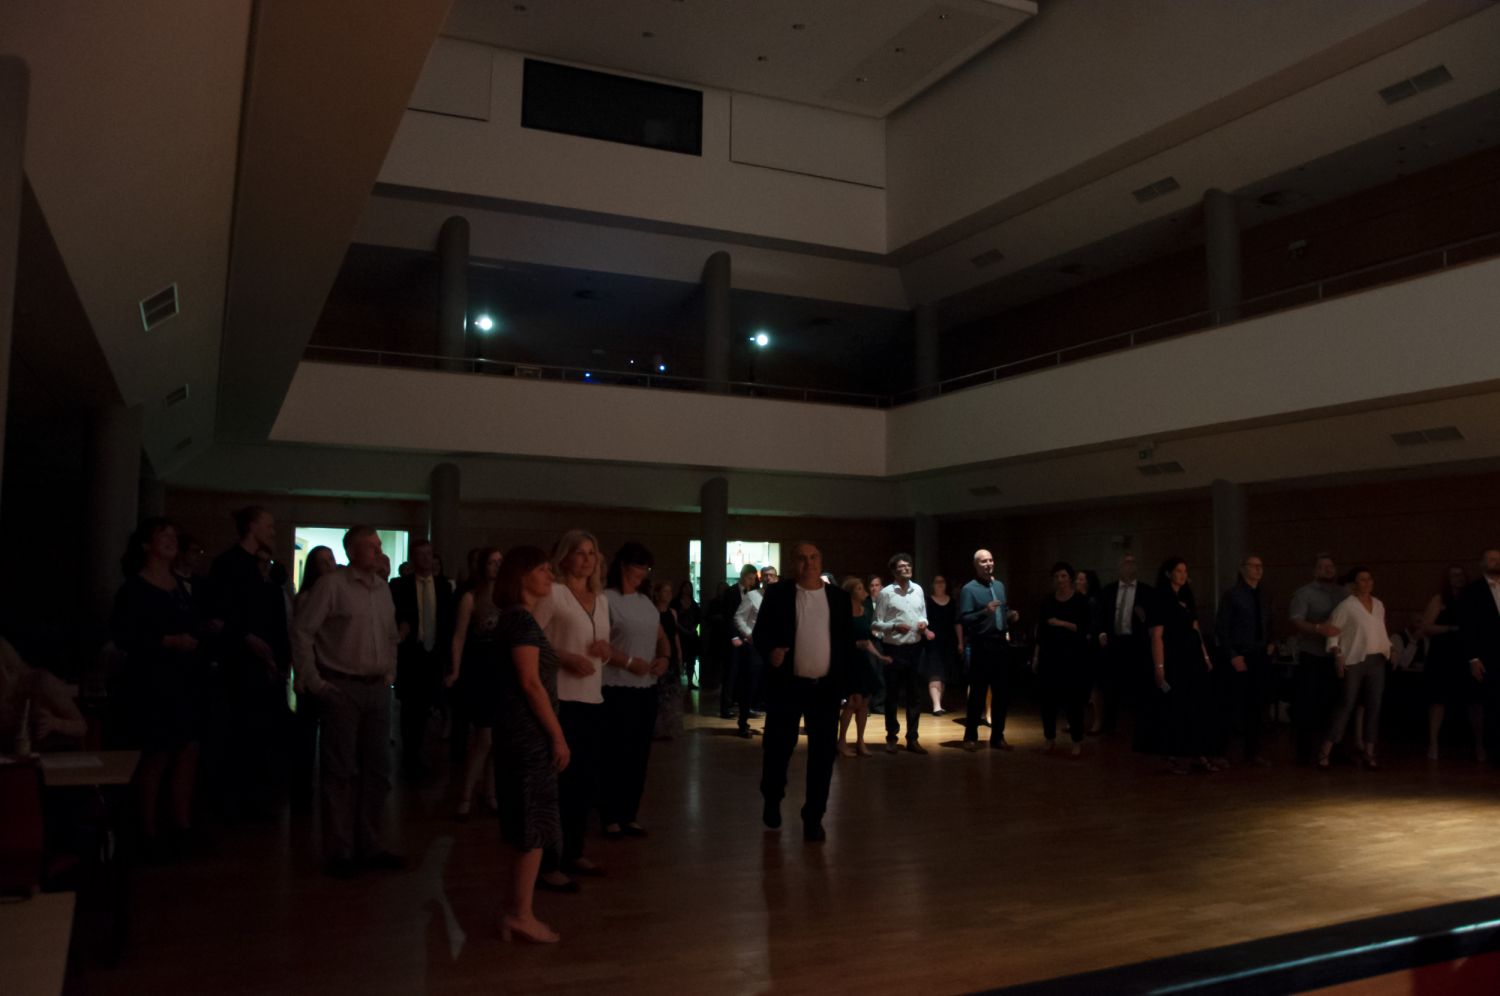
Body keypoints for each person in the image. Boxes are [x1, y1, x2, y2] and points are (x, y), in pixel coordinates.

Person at [290, 526, 402, 879]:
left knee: (377, 770)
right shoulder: (332, 586)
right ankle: (339, 851)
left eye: (379, 546)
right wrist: (313, 680)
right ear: (352, 551)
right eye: (371, 547)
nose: (378, 552)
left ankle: (369, 845)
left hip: (376, 687)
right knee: (340, 771)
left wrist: (389, 672)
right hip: (342, 686)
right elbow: (302, 631)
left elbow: (390, 635)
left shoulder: (382, 588)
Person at [111, 518, 206, 858]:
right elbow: (124, 636)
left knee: (187, 750)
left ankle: (181, 825)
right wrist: (168, 641)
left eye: (172, 535)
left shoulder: (179, 585)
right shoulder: (134, 589)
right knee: (156, 754)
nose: (170, 539)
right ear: (146, 545)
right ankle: (147, 831)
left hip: (184, 679)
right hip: (152, 681)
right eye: (161, 535)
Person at [489, 546, 570, 944]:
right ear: (522, 575)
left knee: (528, 822)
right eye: (542, 570)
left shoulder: (515, 619)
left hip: (518, 734)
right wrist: (557, 735)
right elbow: (530, 683)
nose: (550, 576)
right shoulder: (520, 621)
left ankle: (516, 908)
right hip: (528, 736)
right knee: (532, 824)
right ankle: (520, 913)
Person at [754, 543, 855, 843]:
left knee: (823, 755)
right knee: (777, 748)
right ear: (792, 563)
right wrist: (770, 651)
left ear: (821, 561)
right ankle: (772, 798)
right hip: (787, 687)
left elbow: (846, 645)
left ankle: (814, 816)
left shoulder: (838, 598)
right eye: (802, 558)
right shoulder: (778, 594)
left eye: (813, 557)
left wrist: (848, 686)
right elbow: (760, 634)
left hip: (824, 689)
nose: (808, 563)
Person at [533, 529, 613, 891]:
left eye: (591, 553)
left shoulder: (601, 599)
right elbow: (532, 640)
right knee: (560, 784)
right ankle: (549, 861)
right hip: (562, 699)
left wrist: (605, 651)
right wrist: (563, 656)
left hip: (592, 698)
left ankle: (574, 850)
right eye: (580, 553)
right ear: (564, 557)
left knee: (584, 781)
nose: (587, 559)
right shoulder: (554, 593)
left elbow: (602, 644)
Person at [209, 504, 289, 818]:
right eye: (268, 526)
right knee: (244, 729)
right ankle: (242, 800)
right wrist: (248, 639)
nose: (273, 531)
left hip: (258, 661)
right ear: (252, 527)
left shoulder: (251, 566)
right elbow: (222, 615)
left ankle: (254, 796)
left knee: (258, 730)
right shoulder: (230, 565)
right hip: (242, 665)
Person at [601, 542, 671, 838]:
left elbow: (661, 637)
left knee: (639, 754)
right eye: (638, 565)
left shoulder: (646, 602)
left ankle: (629, 813)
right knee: (616, 753)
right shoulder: (607, 599)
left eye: (646, 567)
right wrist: (629, 662)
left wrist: (664, 658)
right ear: (623, 566)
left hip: (646, 687)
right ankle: (610, 815)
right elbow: (599, 644)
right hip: (617, 686)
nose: (643, 572)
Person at [389, 539, 457, 776]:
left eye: (429, 554)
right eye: (421, 555)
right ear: (413, 558)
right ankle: (410, 757)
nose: (426, 559)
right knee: (410, 708)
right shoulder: (400, 585)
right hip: (411, 654)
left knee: (429, 706)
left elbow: (448, 622)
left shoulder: (443, 586)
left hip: (434, 655)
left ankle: (421, 754)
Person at [445, 547, 502, 819]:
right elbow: (459, 636)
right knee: (484, 737)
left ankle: (489, 793)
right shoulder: (471, 597)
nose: (496, 567)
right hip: (480, 669)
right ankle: (467, 794)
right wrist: (455, 670)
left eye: (500, 562)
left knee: (496, 739)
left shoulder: (507, 596)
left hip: (501, 670)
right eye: (492, 562)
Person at [1145, 558, 1216, 774]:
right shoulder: (1160, 598)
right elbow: (1156, 635)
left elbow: (1196, 628)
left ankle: (1197, 753)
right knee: (1175, 707)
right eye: (1178, 571)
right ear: (1168, 573)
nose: (1183, 575)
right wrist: (1159, 666)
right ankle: (1172, 755)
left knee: (1196, 706)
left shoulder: (1186, 596)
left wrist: (1205, 656)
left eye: (1185, 571)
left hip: (1192, 658)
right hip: (1174, 658)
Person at [1320, 568, 1389, 769]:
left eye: (1369, 579)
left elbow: (1381, 630)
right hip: (1355, 660)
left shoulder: (1378, 604)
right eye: (1362, 579)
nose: (1367, 583)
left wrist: (1390, 648)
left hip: (1377, 659)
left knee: (1374, 705)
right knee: (1347, 703)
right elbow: (1333, 632)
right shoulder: (1347, 606)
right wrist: (1337, 653)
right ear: (1354, 584)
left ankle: (1369, 750)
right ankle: (1326, 749)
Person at [1215, 555, 1277, 765]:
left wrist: (1271, 642)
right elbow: (1222, 628)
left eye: (1261, 566)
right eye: (1254, 566)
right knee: (1231, 705)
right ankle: (1220, 752)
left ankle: (1253, 752)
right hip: (1240, 654)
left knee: (1257, 705)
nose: (1258, 569)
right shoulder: (1232, 595)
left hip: (1260, 655)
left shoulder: (1265, 595)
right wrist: (1232, 654)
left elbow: (1270, 621)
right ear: (1243, 569)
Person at [1287, 554, 1349, 765]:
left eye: (1331, 566)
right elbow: (1296, 620)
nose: (1328, 569)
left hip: (1336, 657)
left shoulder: (1344, 593)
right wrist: (1318, 628)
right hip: (1312, 655)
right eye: (1322, 566)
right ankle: (1305, 753)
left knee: (1335, 704)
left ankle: (1332, 750)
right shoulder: (1305, 593)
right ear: (1315, 571)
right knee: (1308, 705)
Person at [871, 553, 934, 754]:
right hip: (894, 649)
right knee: (892, 696)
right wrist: (894, 626)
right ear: (893, 571)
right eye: (902, 566)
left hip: (915, 649)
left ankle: (913, 739)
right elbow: (875, 624)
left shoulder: (918, 590)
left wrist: (924, 624)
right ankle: (891, 737)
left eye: (909, 565)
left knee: (915, 696)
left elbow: (923, 615)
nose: (907, 568)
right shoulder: (886, 593)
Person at [957, 549, 1018, 751]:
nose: (988, 564)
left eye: (991, 560)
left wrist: (1010, 615)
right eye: (984, 561)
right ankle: (970, 737)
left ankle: (998, 736)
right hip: (981, 645)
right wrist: (985, 611)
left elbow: (1002, 611)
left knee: (1002, 693)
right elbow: (965, 618)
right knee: (977, 693)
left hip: (1001, 643)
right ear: (976, 565)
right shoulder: (969, 589)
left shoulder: (999, 585)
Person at [1421, 565, 1482, 761]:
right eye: (1454, 575)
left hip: (1466, 654)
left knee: (1475, 701)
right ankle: (1433, 743)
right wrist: (1450, 628)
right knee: (1438, 700)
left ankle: (1480, 744)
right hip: (1442, 654)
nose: (1458, 578)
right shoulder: (1440, 599)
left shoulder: (1473, 598)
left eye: (1461, 574)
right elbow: (1426, 627)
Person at [1031, 563, 1091, 757]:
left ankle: (1076, 741)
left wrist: (1061, 623)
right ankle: (1049, 738)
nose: (1060, 580)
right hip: (1050, 657)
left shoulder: (1080, 601)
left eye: (1064, 576)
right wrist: (1036, 656)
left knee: (1073, 702)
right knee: (1048, 701)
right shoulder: (1047, 601)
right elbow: (1041, 633)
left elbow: (1084, 628)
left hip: (1073, 658)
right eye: (1057, 576)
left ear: (1070, 578)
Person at [0, 635, 87, 751]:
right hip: (18, 758)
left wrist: (55, 723)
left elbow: (81, 726)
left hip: (56, 755)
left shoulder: (41, 682)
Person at [1099, 554, 1152, 740]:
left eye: (1132, 563)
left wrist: (1144, 617)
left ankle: (1140, 727)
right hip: (1113, 643)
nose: (1129, 566)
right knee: (1110, 686)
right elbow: (1100, 615)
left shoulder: (1146, 591)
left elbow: (1153, 620)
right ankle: (1109, 725)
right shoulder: (1108, 590)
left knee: (1139, 687)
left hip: (1136, 644)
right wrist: (1101, 632)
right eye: (1125, 563)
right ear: (1119, 566)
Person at [838, 577, 887, 756]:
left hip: (862, 660)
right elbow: (838, 640)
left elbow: (866, 641)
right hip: (849, 660)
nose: (863, 590)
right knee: (853, 702)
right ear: (851, 593)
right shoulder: (843, 614)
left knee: (864, 702)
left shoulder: (865, 611)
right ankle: (841, 742)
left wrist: (880, 656)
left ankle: (860, 742)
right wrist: (854, 644)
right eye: (859, 588)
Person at [1463, 549, 1500, 763]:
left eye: (1499, 559)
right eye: (1492, 559)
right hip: (1487, 655)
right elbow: (1468, 626)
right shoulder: (1473, 590)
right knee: (1488, 702)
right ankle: (1490, 748)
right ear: (1482, 564)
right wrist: (1473, 658)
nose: (1497, 563)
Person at [730, 565, 766, 738]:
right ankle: (743, 722)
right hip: (754, 647)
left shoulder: (779, 598)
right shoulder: (752, 596)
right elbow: (738, 617)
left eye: (773, 575)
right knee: (749, 685)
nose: (769, 578)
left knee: (766, 686)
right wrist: (749, 634)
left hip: (770, 648)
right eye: (766, 575)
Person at [720, 565, 760, 721]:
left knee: (746, 674)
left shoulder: (754, 593)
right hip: (735, 639)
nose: (752, 581)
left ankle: (744, 705)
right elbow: (728, 617)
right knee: (731, 673)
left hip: (748, 639)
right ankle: (726, 707)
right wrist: (733, 637)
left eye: (753, 579)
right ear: (743, 576)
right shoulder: (730, 592)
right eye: (750, 578)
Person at [924, 574, 961, 716]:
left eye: (942, 581)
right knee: (935, 673)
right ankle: (936, 705)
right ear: (932, 585)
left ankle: (939, 703)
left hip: (949, 642)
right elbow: (921, 620)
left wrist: (960, 642)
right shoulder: (927, 601)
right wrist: (926, 632)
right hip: (932, 642)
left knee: (944, 674)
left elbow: (957, 623)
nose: (940, 584)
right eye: (937, 582)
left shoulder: (952, 602)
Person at [652, 580, 684, 739]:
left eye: (670, 591)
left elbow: (675, 635)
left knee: (672, 691)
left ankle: (670, 727)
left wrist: (679, 653)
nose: (669, 595)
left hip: (671, 653)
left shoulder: (672, 612)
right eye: (665, 591)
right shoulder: (652, 612)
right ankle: (658, 727)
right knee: (660, 691)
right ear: (657, 594)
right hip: (659, 653)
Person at [672, 581, 702, 689]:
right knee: (679, 659)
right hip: (679, 634)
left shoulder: (694, 604)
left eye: (689, 587)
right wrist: (682, 628)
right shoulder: (675, 603)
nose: (687, 589)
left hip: (691, 635)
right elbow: (673, 618)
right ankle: (677, 681)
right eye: (685, 587)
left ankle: (690, 681)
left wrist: (693, 629)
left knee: (691, 659)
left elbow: (698, 619)